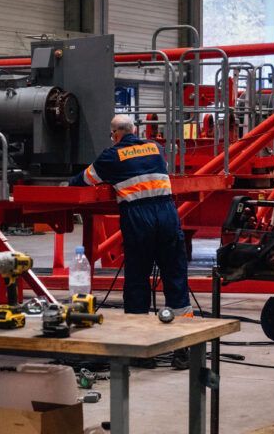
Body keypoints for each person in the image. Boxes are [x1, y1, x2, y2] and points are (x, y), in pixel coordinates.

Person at [69, 114, 192, 368]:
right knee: (176, 279)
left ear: (115, 135)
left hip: (139, 219)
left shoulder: (111, 156)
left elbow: (84, 180)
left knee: (137, 280)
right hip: (168, 215)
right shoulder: (155, 148)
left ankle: (141, 350)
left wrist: (65, 185)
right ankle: (184, 348)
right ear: (135, 130)